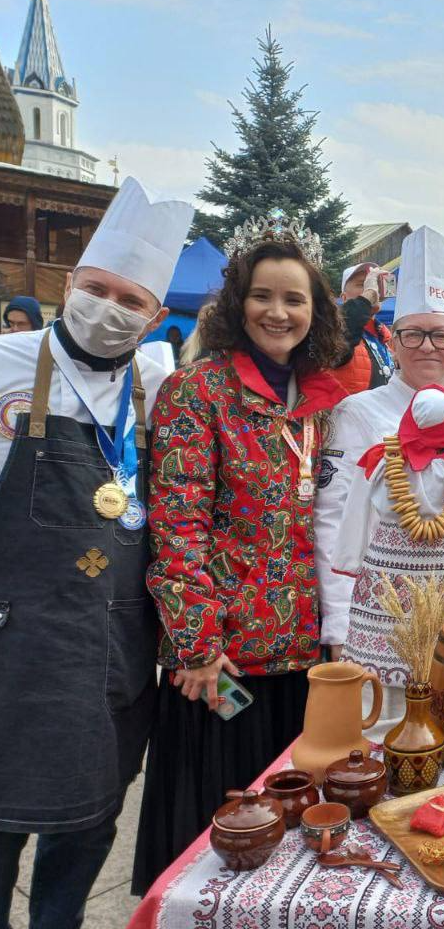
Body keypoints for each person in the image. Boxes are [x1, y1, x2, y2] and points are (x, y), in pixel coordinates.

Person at [132, 212, 349, 893]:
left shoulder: (316, 404)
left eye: (294, 298)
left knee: (281, 829)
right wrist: (195, 644)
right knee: (220, 827)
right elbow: (179, 524)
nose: (277, 312)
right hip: (222, 666)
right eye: (263, 295)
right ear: (236, 300)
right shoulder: (195, 392)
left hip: (297, 657)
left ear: (316, 312)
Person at [0, 178, 192, 929]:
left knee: (88, 821)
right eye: (96, 286)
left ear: (157, 317)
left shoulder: (156, 378)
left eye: (130, 300)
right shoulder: (9, 362)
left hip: (114, 644)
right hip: (18, 640)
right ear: (69, 283)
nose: (108, 307)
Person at [315, 226, 444, 685]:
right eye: (413, 335)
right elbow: (334, 518)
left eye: (441, 336)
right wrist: (339, 623)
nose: (427, 347)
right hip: (379, 609)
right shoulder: (357, 412)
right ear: (392, 343)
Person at [329, 380, 444, 733]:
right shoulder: (397, 459)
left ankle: (397, 729)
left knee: (436, 651)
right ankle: (397, 731)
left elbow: (356, 509)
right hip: (416, 572)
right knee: (399, 648)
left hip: (411, 571)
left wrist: (350, 556)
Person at [331, 262, 393, 395]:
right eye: (362, 284)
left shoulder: (385, 337)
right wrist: (368, 295)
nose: (372, 288)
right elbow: (344, 325)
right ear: (344, 297)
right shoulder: (335, 328)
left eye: (375, 283)